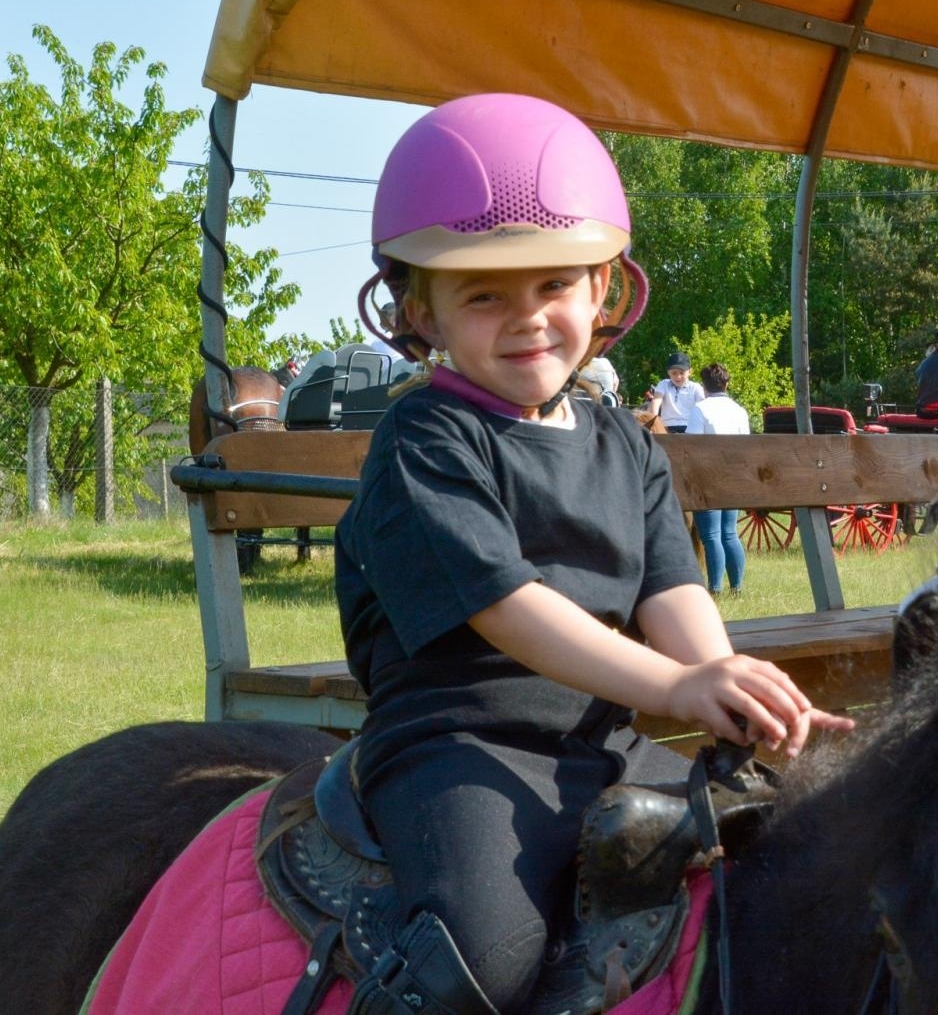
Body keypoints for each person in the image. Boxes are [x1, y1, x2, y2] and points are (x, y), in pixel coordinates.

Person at [337, 93, 853, 1015]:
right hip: (456, 742)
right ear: (420, 309)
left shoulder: (628, 442)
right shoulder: (426, 438)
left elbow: (671, 587)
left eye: (554, 286)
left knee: (793, 855)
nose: (528, 317)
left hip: (602, 739)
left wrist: (722, 677)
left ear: (602, 290)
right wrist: (672, 690)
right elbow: (505, 601)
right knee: (486, 955)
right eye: (484, 294)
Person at [685, 362, 750, 595]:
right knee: (730, 533)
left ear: (704, 386)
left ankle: (714, 588)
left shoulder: (700, 409)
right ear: (727, 383)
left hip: (708, 478)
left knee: (711, 536)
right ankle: (737, 587)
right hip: (732, 477)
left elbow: (691, 445)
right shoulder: (739, 411)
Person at [639, 350, 704, 432]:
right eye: (674, 373)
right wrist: (653, 423)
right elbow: (656, 401)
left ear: (690, 372)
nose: (678, 376)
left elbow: (702, 408)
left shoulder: (695, 387)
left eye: (682, 373)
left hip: (689, 426)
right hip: (667, 426)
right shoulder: (664, 384)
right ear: (668, 373)